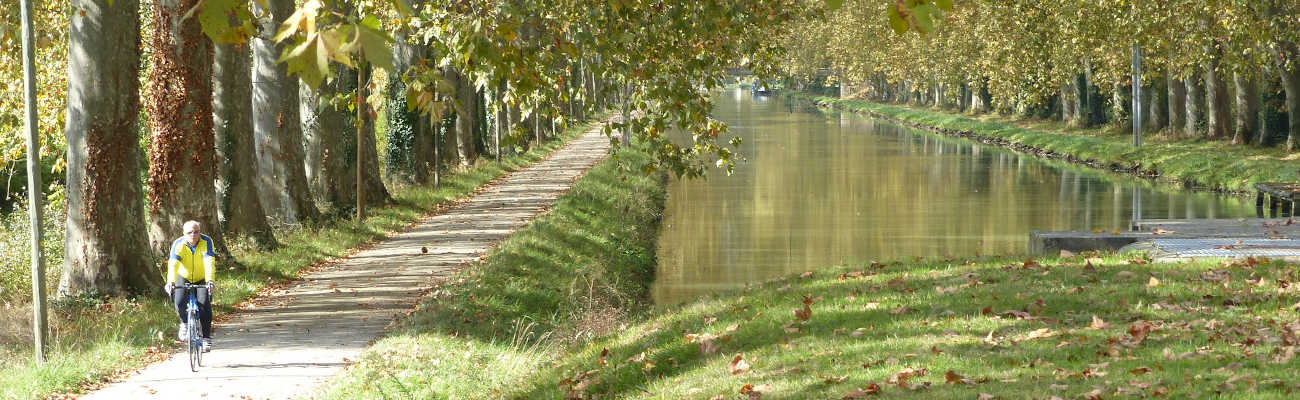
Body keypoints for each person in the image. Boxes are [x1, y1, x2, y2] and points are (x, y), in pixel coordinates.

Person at [164, 220, 216, 352]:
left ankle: (206, 338)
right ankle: (185, 324)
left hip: (202, 277)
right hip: (184, 276)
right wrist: (170, 282)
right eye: (189, 232)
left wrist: (210, 281)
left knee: (204, 304)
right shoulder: (178, 244)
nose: (193, 234)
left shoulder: (206, 241)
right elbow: (173, 264)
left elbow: (209, 261)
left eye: (196, 232)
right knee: (180, 301)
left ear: (200, 232)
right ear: (183, 233)